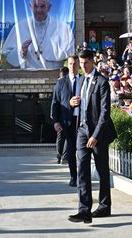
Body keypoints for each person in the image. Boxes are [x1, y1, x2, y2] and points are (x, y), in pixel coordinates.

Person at [68, 49, 116, 224]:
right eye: (80, 64)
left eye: (85, 63)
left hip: (98, 132)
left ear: (92, 62)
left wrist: (95, 135)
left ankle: (104, 206)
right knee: (82, 169)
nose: (83, 66)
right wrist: (71, 103)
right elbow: (79, 105)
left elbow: (105, 113)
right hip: (82, 129)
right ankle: (84, 209)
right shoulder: (80, 80)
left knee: (102, 170)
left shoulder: (102, 82)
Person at [2, 0, 75, 69]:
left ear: (49, 7)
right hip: (28, 76)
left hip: (55, 74)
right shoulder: (19, 27)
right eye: (35, 6)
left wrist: (54, 52)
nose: (39, 10)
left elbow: (70, 53)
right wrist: (21, 52)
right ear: (30, 7)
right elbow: (7, 55)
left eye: (42, 6)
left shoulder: (63, 28)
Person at [51, 56, 79, 187]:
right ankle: (74, 176)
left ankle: (83, 176)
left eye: (75, 64)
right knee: (71, 149)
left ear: (78, 65)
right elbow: (55, 103)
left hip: (82, 121)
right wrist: (56, 121)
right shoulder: (61, 83)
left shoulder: (84, 81)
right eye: (70, 64)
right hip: (68, 121)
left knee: (83, 151)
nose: (73, 66)